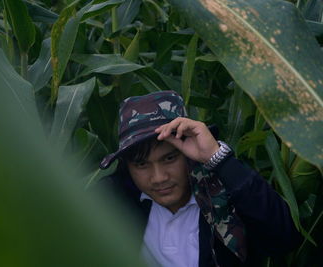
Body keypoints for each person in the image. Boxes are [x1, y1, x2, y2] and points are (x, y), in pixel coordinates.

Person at [98, 91, 302, 267]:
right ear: (127, 166)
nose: (159, 178)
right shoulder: (111, 203)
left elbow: (283, 239)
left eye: (169, 158)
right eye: (142, 164)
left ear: (187, 152)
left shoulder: (225, 195)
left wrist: (219, 159)